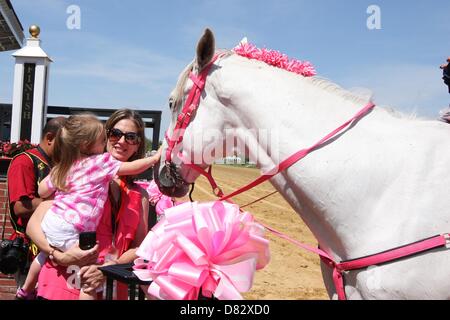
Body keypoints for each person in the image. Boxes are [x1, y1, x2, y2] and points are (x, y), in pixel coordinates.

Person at [21, 112, 161, 300]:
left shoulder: (140, 195)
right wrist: (58, 255)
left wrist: (107, 269)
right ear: (104, 136)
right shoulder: (76, 174)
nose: (121, 141)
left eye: (131, 137)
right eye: (115, 133)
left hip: (108, 286)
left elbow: (139, 247)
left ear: (138, 145)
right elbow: (33, 225)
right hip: (61, 280)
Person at [6, 117, 66, 299]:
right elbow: (20, 207)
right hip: (30, 249)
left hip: (53, 248)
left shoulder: (56, 164)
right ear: (50, 138)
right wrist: (63, 200)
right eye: (66, 143)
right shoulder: (24, 161)